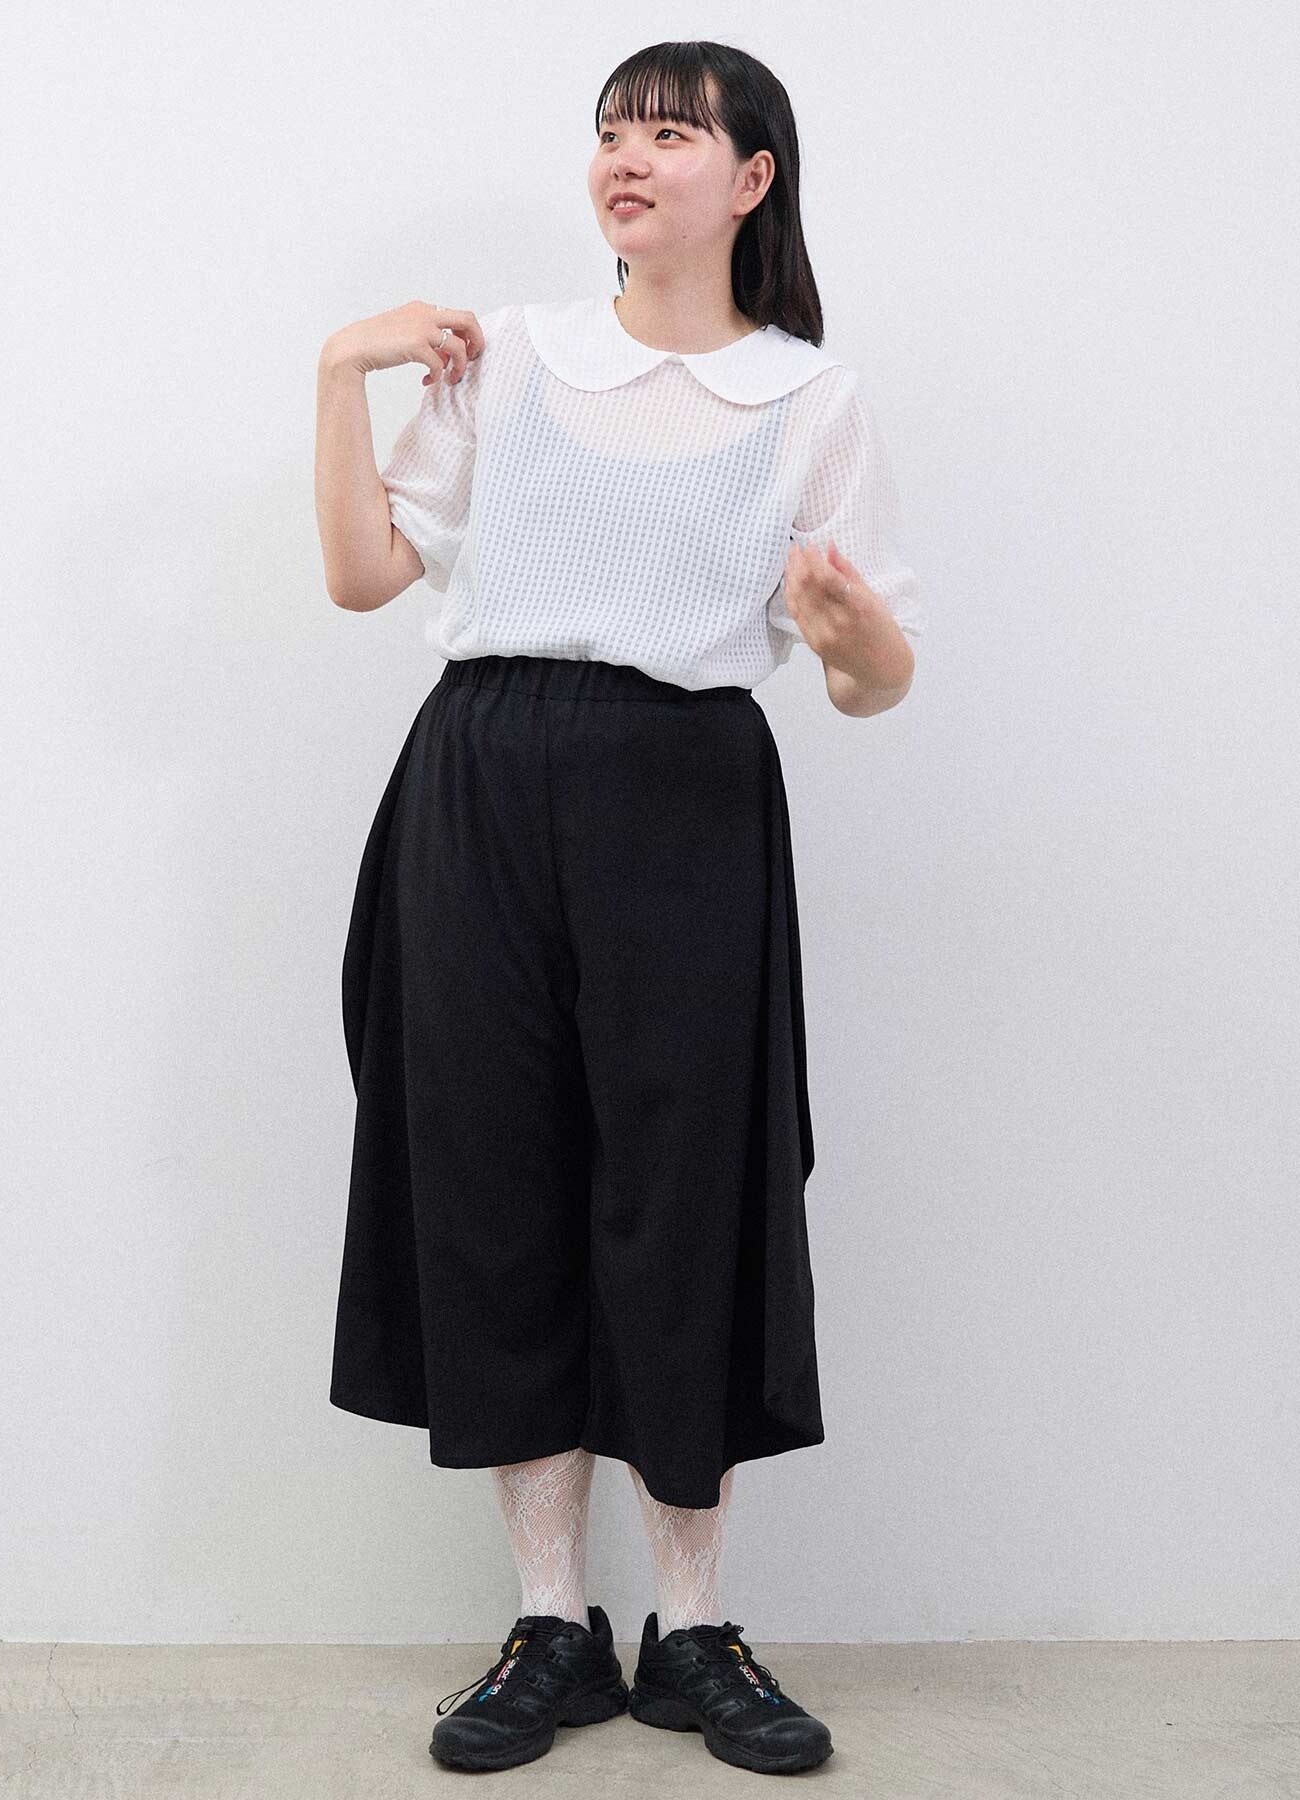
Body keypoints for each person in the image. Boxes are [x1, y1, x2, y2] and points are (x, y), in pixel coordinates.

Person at [313, 38, 924, 1778]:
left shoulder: (810, 398)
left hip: (687, 794)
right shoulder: (506, 358)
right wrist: (340, 373)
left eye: (669, 131)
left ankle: (694, 1628)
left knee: (687, 1189)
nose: (627, 157)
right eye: (609, 132)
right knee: (493, 1176)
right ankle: (552, 1626)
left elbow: (872, 676)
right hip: (482, 779)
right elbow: (362, 577)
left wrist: (850, 634)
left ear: (753, 178)